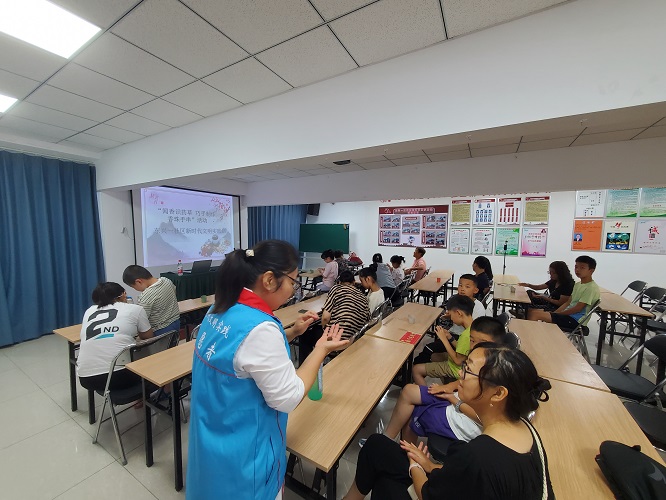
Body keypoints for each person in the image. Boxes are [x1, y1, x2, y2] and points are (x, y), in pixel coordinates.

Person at [186, 240, 348, 500]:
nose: (294, 289)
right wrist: (320, 350)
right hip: (246, 456)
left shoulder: (220, 307)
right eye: (293, 281)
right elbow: (288, 397)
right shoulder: (261, 329)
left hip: (212, 439)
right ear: (270, 280)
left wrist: (293, 331)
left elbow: (242, 356)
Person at [343, 344, 554, 500]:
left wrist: (416, 466)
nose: (460, 374)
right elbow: (465, 480)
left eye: (468, 370)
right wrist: (431, 465)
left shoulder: (476, 455)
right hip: (455, 484)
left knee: (384, 480)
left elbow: (427, 494)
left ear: (498, 394)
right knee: (377, 445)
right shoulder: (527, 430)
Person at [371, 317, 507, 448]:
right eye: (471, 341)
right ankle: (387, 440)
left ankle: (400, 452)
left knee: (411, 412)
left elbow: (484, 418)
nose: (474, 346)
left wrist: (453, 399)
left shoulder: (496, 377)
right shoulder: (485, 361)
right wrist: (448, 387)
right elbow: (463, 378)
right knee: (408, 390)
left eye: (482, 343)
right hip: (457, 401)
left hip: (460, 421)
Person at [77, 282, 154, 393]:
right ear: (123, 294)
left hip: (86, 379)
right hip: (120, 376)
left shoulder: (89, 311)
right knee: (151, 355)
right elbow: (148, 336)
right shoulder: (135, 309)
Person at [298, 270, 370, 363]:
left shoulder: (336, 289)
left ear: (339, 282)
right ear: (354, 282)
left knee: (305, 334)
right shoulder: (363, 296)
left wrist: (324, 327)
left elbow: (325, 317)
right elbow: (367, 319)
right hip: (354, 340)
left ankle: (305, 365)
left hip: (335, 339)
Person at [413, 274, 487, 365]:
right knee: (429, 349)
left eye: (467, 287)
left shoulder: (478, 307)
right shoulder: (456, 299)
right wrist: (450, 317)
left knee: (429, 348)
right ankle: (417, 367)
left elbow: (473, 329)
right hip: (453, 333)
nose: (462, 289)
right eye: (460, 285)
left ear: (475, 290)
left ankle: (415, 369)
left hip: (461, 337)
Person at [412, 295, 474, 386]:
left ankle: (425, 394)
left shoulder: (466, 335)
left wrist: (444, 339)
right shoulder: (472, 328)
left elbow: (457, 361)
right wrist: (449, 337)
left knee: (416, 369)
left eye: (451, 315)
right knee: (434, 356)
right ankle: (444, 380)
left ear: (458, 313)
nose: (451, 319)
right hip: (460, 364)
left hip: (455, 368)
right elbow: (462, 350)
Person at [527, 255, 600, 329]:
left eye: (582, 268)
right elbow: (568, 303)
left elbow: (578, 309)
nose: (577, 270)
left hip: (575, 320)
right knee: (531, 312)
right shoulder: (578, 284)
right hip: (568, 315)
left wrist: (560, 314)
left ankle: (532, 335)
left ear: (591, 271)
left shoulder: (591, 288)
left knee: (535, 314)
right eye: (576, 267)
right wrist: (555, 313)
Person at [122, 265, 180, 336]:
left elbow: (141, 319)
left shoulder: (145, 297)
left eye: (133, 287)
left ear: (138, 282)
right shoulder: (166, 280)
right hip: (176, 322)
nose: (135, 289)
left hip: (160, 330)